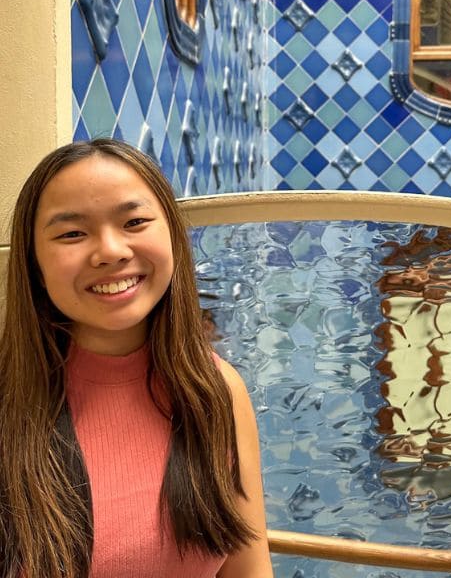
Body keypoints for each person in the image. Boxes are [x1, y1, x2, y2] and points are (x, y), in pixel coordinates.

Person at [0, 139, 274, 578]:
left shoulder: (217, 390)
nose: (110, 250)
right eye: (72, 233)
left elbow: (249, 569)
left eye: (134, 221)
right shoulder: (8, 402)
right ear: (34, 262)